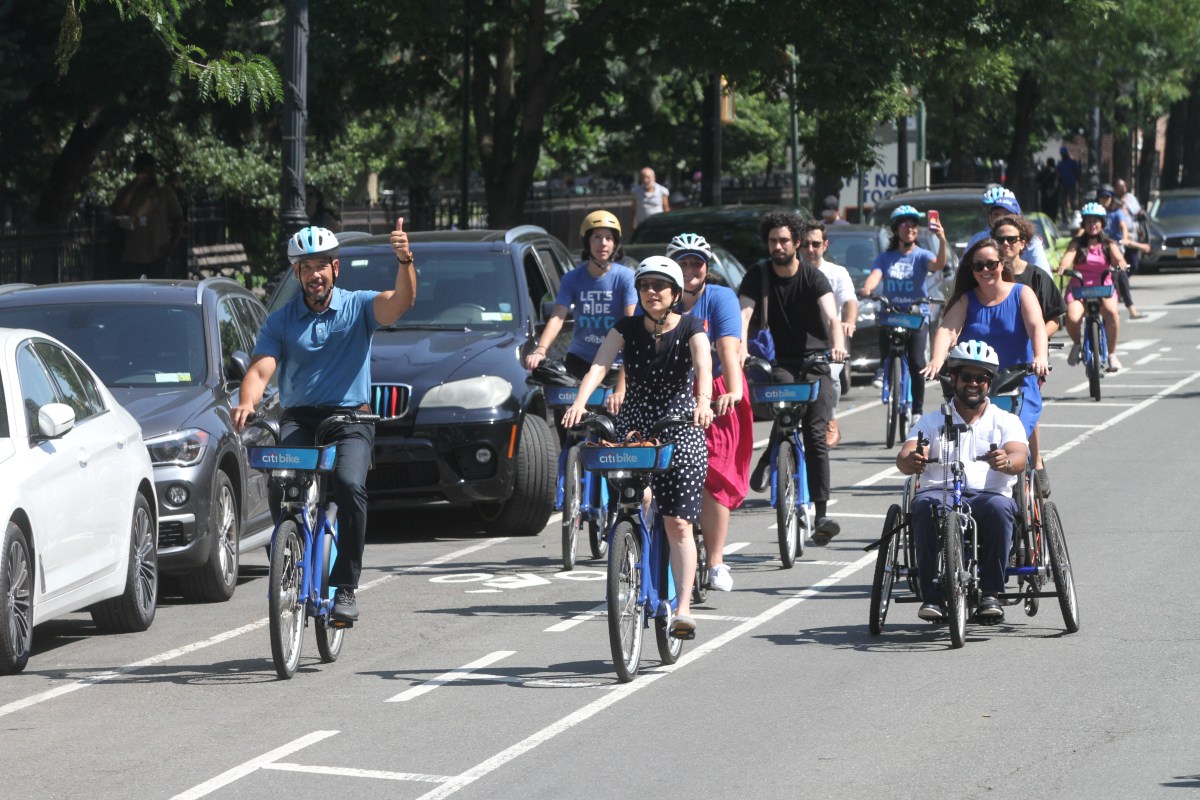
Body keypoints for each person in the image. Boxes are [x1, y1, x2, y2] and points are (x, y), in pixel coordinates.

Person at [231, 221, 417, 622]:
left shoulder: (357, 305)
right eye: (305, 266)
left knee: (350, 486)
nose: (314, 274)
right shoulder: (281, 320)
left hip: (352, 418)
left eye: (321, 266)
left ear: (336, 268)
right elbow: (261, 371)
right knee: (282, 485)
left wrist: (404, 260)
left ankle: (346, 585)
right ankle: (292, 549)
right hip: (301, 417)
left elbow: (399, 302)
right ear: (296, 273)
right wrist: (247, 402)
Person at [561, 257, 713, 639]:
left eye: (660, 286)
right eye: (645, 285)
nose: (652, 292)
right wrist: (581, 401)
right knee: (637, 500)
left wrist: (705, 400)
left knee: (678, 523)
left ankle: (682, 608)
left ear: (676, 293)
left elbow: (703, 364)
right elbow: (599, 365)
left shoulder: (692, 327)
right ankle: (631, 550)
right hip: (635, 426)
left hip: (681, 425)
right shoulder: (626, 327)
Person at [897, 339, 1029, 623]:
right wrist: (913, 459)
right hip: (940, 493)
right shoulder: (931, 421)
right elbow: (906, 454)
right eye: (967, 377)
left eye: (981, 378)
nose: (974, 384)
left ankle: (992, 594)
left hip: (987, 494)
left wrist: (1007, 461)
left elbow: (1020, 455)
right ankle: (932, 595)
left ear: (989, 383)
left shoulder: (1005, 420)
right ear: (953, 378)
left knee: (999, 509)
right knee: (923, 508)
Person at [740, 211, 848, 545]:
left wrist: (839, 345)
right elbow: (743, 316)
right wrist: (742, 351)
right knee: (785, 408)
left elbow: (832, 316)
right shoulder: (757, 276)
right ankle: (773, 455)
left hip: (817, 360)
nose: (778, 246)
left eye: (784, 240)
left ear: (797, 243)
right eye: (773, 240)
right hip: (779, 360)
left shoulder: (814, 278)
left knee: (816, 435)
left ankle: (821, 513)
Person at [666, 233, 750, 592]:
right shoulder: (657, 297)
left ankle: (715, 562)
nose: (690, 269)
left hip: (717, 388)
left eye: (696, 262)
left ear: (707, 266)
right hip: (672, 390)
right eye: (682, 263)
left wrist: (732, 390)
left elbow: (728, 349)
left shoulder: (720, 297)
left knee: (714, 474)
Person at [926, 237, 1048, 428]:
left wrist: (1040, 356)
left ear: (1001, 264)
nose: (985, 270)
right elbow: (947, 331)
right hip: (975, 387)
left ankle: (1034, 457)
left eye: (991, 264)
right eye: (979, 266)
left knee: (1014, 439)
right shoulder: (966, 300)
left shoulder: (1022, 293)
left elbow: (1036, 327)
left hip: (1018, 386)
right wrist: (937, 360)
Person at [991, 215, 1065, 496]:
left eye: (1012, 239)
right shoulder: (988, 274)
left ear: (1023, 243)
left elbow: (1055, 318)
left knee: (1023, 407)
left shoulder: (1035, 277)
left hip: (1028, 359)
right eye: (1000, 239)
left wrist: (1039, 346)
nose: (1006, 244)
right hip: (994, 359)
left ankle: (1035, 459)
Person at [524, 210, 637, 379]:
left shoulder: (626, 276)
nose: (603, 243)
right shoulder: (571, 278)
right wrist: (541, 350)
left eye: (609, 238)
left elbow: (631, 320)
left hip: (616, 361)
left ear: (615, 244)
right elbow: (557, 317)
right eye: (597, 237)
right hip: (579, 359)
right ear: (586, 241)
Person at [859, 204, 948, 416]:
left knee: (917, 362)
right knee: (883, 330)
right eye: (905, 224)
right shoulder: (886, 257)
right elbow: (875, 275)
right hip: (893, 312)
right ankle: (883, 369)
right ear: (896, 229)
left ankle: (917, 411)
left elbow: (938, 265)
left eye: (914, 225)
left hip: (916, 314)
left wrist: (942, 239)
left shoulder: (922, 255)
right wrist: (867, 288)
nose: (910, 228)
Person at [800, 221, 857, 447]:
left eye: (815, 244)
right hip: (798, 342)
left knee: (831, 377)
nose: (810, 249)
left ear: (825, 245)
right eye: (805, 244)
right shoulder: (792, 271)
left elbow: (850, 300)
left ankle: (831, 420)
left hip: (830, 343)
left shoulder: (836, 272)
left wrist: (849, 322)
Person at [1056, 201, 1127, 372]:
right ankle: (1077, 344)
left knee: (1112, 314)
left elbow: (1118, 257)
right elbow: (1067, 258)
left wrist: (1122, 263)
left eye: (1096, 221)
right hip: (1079, 288)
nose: (1092, 225)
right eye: (1088, 221)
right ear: (1084, 224)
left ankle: (1112, 355)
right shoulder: (1077, 243)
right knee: (1072, 318)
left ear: (1102, 223)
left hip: (1103, 288)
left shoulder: (1109, 243)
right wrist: (1063, 267)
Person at [111, 152, 183, 279]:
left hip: (157, 254)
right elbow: (117, 211)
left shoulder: (164, 192)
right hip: (132, 256)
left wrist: (172, 244)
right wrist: (135, 185)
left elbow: (178, 219)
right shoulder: (127, 192)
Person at [965, 187, 1051, 273]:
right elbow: (963, 274)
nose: (1002, 220)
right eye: (997, 215)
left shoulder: (1032, 243)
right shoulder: (977, 240)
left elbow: (1044, 277)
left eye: (1011, 240)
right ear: (990, 217)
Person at [1099, 184, 1148, 319]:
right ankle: (1121, 308)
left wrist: (1125, 238)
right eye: (1102, 197)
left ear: (1111, 197)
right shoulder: (1098, 212)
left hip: (1115, 247)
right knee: (1117, 277)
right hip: (1100, 248)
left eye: (1107, 196)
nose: (1104, 199)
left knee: (1120, 275)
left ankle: (1127, 308)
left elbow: (1123, 226)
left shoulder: (1117, 211)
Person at [630, 167, 670, 232]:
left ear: (654, 177)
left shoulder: (662, 191)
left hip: (659, 226)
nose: (646, 180)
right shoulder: (635, 192)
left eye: (648, 177)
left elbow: (666, 209)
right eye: (643, 178)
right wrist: (633, 225)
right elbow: (633, 210)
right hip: (642, 227)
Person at [1057, 146, 1080, 225]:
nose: (1063, 155)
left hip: (1072, 184)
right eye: (1062, 154)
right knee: (1063, 202)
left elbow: (1077, 173)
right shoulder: (1060, 163)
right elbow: (1058, 174)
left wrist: (1078, 184)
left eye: (1064, 154)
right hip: (1063, 184)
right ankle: (1065, 219)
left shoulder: (1073, 162)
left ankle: (1075, 217)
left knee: (1073, 201)